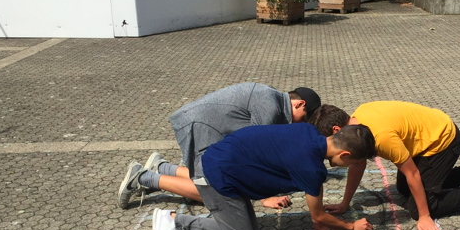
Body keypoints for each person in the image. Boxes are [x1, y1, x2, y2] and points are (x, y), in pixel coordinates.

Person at [140, 122, 377, 230]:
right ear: (344, 154)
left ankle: (174, 220)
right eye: (353, 163)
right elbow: (318, 217)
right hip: (219, 177)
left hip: (221, 160)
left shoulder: (309, 130)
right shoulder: (312, 168)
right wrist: (350, 226)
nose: (351, 167)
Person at [309, 102, 460, 230]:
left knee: (420, 207)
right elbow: (357, 163)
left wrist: (424, 216)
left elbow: (412, 173)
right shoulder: (357, 126)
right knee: (404, 189)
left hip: (442, 141)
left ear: (336, 131)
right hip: (426, 138)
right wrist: (345, 203)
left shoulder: (381, 138)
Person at [117, 83, 321, 210]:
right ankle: (143, 177)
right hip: (198, 126)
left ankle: (162, 167)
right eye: (304, 118)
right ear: (299, 104)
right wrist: (264, 197)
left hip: (206, 126)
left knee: (217, 175)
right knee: (213, 191)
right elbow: (255, 154)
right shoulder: (270, 105)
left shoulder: (273, 100)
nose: (300, 125)